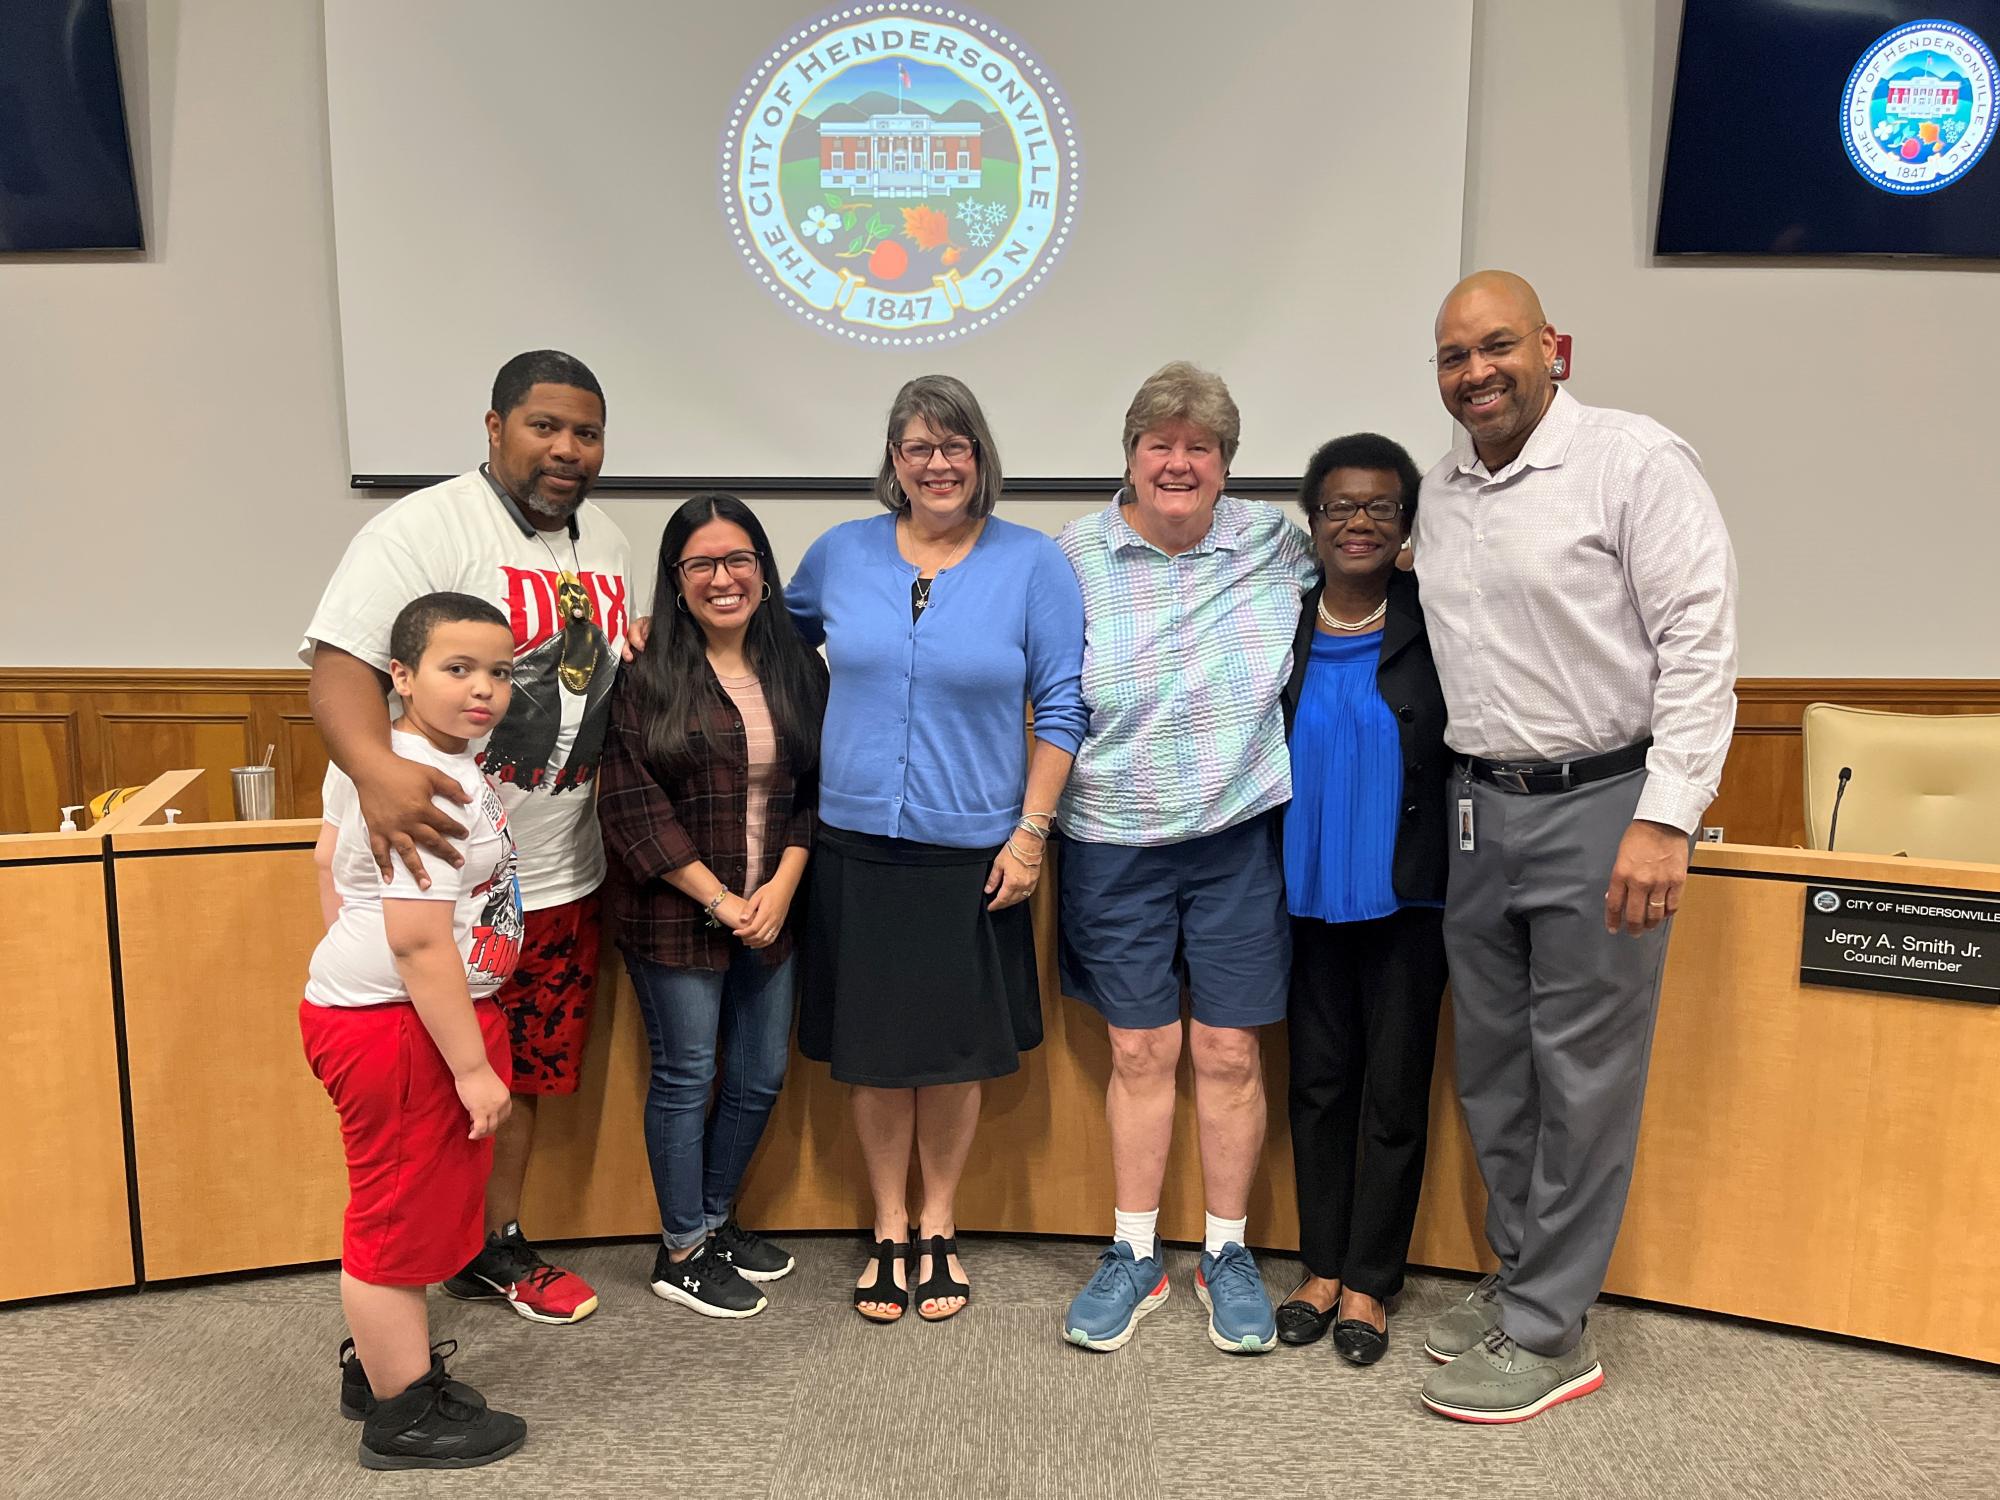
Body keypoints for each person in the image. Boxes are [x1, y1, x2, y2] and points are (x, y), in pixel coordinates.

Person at [1413, 271, 1737, 1423]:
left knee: (1581, 1075)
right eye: (1452, 356)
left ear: (1553, 346)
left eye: (1496, 346)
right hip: (1475, 809)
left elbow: (1697, 645)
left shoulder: (1634, 462)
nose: (1474, 372)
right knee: (1496, 1070)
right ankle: (1515, 1283)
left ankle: (1551, 1332)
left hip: (1604, 807)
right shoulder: (1440, 491)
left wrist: (1664, 817)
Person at [302, 350, 628, 1326]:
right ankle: (404, 1287)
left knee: (517, 1076)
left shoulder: (603, 538)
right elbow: (338, 664)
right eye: (544, 426)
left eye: (586, 431)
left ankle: (494, 1246)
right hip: (430, 875)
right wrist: (376, 775)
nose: (567, 449)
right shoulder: (423, 526)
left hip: (553, 871)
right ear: (494, 429)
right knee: (423, 1088)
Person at [788, 374, 1085, 1324]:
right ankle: (886, 1227)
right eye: (918, 447)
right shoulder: (839, 556)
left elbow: (1066, 708)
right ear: (893, 462)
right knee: (875, 1053)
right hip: (857, 845)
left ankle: (939, 1224)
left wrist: (1032, 835)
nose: (938, 463)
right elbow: (761, 640)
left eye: (955, 447)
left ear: (981, 458)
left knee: (952, 1054)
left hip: (977, 852)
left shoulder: (1032, 564)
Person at [1056, 362, 1318, 1355]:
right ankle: (1132, 1255)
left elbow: (1383, 564)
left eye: (1197, 447)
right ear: (1128, 456)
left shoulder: (1273, 543)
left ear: (1224, 466)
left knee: (1228, 1052)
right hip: (1110, 840)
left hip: (1236, 838)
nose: (1177, 462)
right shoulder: (1073, 554)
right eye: (1158, 444)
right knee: (1138, 1052)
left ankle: (1225, 1252)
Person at [304, 592, 528, 1470]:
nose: (484, 690)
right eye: (457, 668)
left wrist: (340, 949)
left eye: (499, 672)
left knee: (413, 1204)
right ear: (399, 675)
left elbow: (328, 860)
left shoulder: (390, 757)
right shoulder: (419, 779)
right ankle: (401, 1416)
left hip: (401, 1015)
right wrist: (471, 1068)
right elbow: (416, 936)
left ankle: (384, 1367)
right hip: (404, 1028)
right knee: (396, 1222)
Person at [596, 494, 826, 1319]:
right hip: (674, 912)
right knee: (689, 1075)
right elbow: (629, 806)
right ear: (677, 578)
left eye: (739, 560)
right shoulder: (644, 672)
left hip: (774, 909)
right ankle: (681, 1248)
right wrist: (723, 899)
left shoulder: (799, 664)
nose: (723, 578)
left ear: (763, 570)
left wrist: (782, 887)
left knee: (760, 1076)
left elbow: (811, 790)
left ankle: (716, 1219)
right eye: (702, 564)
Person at [1275, 434, 1449, 1367]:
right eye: (1340, 506)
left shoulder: (1439, 617)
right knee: (1317, 1087)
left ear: (1407, 524)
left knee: (1392, 1095)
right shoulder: (1281, 621)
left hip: (1408, 901)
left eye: (1380, 507)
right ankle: (1320, 1265)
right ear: (1313, 520)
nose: (1359, 523)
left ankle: (1372, 1280)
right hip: (1301, 900)